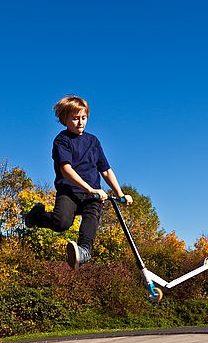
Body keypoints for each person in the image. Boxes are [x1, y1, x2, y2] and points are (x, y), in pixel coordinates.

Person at [24, 95, 133, 270]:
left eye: (84, 118)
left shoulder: (93, 141)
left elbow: (105, 170)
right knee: (61, 223)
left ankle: (83, 251)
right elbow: (65, 170)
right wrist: (90, 188)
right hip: (70, 191)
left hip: (92, 194)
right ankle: (36, 215)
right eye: (75, 118)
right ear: (64, 119)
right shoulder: (62, 140)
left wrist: (120, 193)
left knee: (92, 215)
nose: (80, 122)